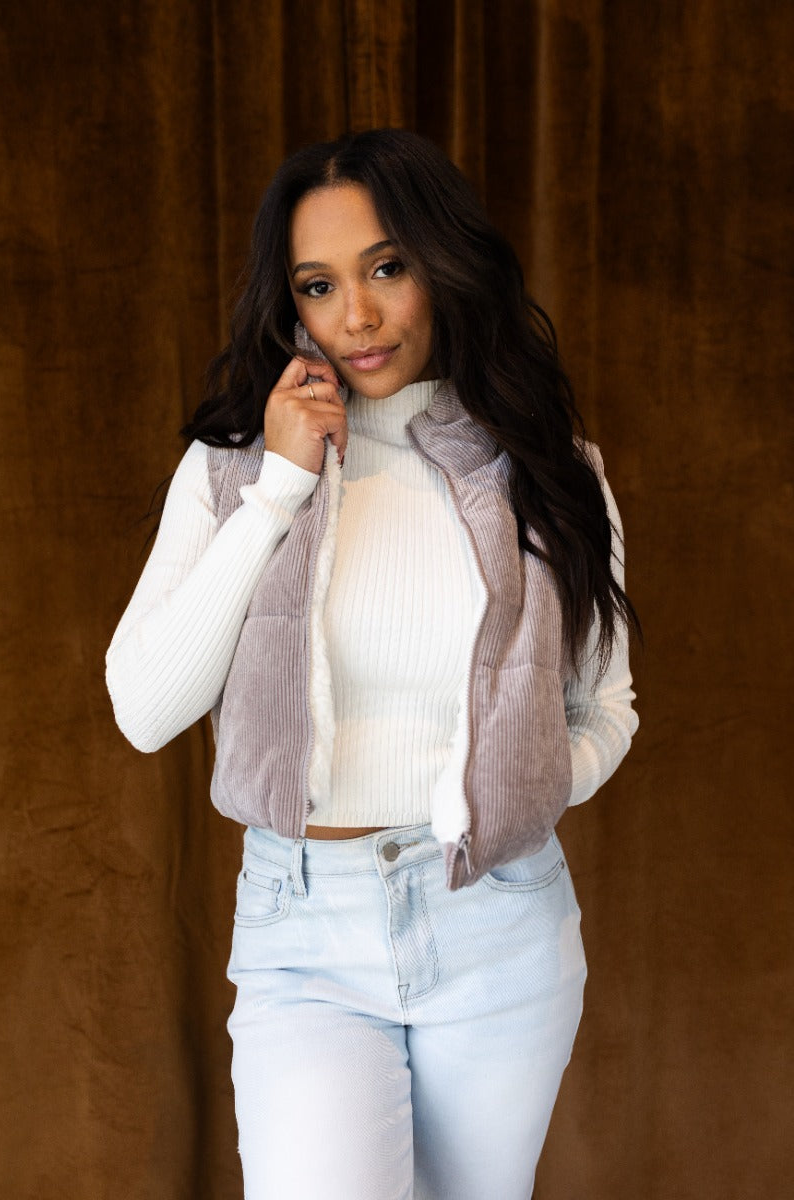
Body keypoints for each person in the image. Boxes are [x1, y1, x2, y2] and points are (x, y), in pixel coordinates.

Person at [106, 127, 639, 1200]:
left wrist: (518, 787)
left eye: (386, 267)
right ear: (288, 302)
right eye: (318, 284)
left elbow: (605, 704)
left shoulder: (551, 475)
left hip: (501, 921)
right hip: (306, 932)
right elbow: (145, 709)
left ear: (443, 264)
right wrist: (281, 493)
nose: (356, 315)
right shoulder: (230, 473)